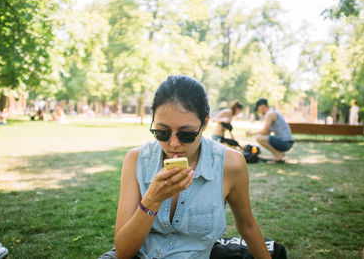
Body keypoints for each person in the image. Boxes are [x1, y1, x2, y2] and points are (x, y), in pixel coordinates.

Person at [109, 75, 271, 258]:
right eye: (162, 132)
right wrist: (151, 201)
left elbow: (247, 225)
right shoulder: (136, 160)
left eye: (186, 134)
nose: (173, 144)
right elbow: (122, 252)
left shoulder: (230, 164)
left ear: (205, 124)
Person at [245, 98, 293, 164]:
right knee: (261, 137)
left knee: (259, 138)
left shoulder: (270, 114)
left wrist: (251, 133)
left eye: (258, 109)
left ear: (262, 106)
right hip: (286, 142)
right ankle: (279, 154)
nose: (258, 111)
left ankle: (278, 155)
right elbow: (267, 132)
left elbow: (264, 132)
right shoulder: (272, 112)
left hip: (285, 143)